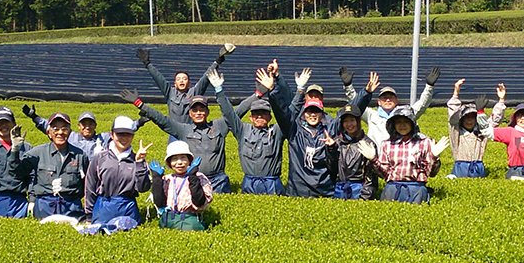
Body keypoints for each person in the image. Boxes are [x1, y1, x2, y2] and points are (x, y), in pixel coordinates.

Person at [122, 79, 252, 194]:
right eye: (195, 110)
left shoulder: (219, 126)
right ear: (190, 113)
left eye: (202, 109)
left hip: (218, 181)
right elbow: (161, 119)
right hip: (193, 178)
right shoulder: (183, 129)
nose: (198, 113)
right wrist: (139, 103)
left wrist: (258, 94)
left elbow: (235, 112)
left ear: (207, 112)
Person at [271, 67, 376, 198]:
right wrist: (273, 89)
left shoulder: (330, 129)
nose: (313, 114)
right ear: (304, 112)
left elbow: (349, 112)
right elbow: (282, 112)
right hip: (297, 192)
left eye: (316, 111)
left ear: (322, 113)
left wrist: (366, 93)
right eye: (309, 111)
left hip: (325, 192)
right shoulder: (294, 130)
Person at [218, 67, 288, 195]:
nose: (259, 117)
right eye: (256, 114)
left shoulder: (277, 131)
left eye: (263, 114)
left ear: (270, 117)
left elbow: (286, 111)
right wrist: (219, 91)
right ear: (250, 117)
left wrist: (275, 87)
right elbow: (229, 114)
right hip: (249, 182)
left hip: (272, 183)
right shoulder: (242, 130)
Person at [8, 113, 91, 220]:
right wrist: (15, 150)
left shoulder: (80, 155)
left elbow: (87, 184)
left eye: (64, 128)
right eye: (55, 128)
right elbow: (17, 173)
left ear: (70, 132)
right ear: (49, 133)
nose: (60, 132)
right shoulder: (37, 153)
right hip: (45, 206)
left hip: (71, 206)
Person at [340, 66, 440, 148]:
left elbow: (422, 104)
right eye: (384, 98)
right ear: (379, 102)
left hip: (398, 158)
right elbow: (357, 103)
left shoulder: (405, 114)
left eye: (391, 97)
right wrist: (348, 86)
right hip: (376, 159)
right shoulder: (371, 115)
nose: (388, 100)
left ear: (396, 101)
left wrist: (429, 86)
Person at [135, 43, 235, 125]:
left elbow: (205, 77)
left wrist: (217, 62)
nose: (181, 81)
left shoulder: (194, 92)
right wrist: (147, 64)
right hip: (175, 133)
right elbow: (159, 78)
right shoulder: (170, 93)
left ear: (189, 82)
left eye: (184, 79)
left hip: (191, 132)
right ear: (175, 83)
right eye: (178, 79)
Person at [372, 105, 448, 204]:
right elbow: (383, 173)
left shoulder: (424, 142)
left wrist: (434, 157)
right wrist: (373, 159)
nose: (402, 125)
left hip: (417, 189)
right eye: (398, 122)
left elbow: (431, 173)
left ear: (412, 124)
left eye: (406, 122)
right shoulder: (387, 144)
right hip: (392, 189)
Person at [84, 116, 152, 225]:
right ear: (112, 134)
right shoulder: (100, 158)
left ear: (133, 136)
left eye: (128, 134)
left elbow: (143, 188)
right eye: (120, 134)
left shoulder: (137, 160)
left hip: (128, 207)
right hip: (103, 207)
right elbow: (90, 186)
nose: (124, 138)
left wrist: (139, 163)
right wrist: (89, 215)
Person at [148, 141, 213, 231]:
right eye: (174, 159)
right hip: (169, 219)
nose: (179, 162)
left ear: (189, 161)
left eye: (183, 158)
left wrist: (193, 177)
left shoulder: (199, 177)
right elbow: (159, 202)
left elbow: (199, 202)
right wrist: (157, 180)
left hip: (190, 221)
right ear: (169, 163)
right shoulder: (167, 179)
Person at [445, 80, 505, 178]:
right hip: (460, 167)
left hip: (478, 167)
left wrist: (501, 101)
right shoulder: (456, 132)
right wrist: (455, 94)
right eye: (466, 117)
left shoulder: (482, 131)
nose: (469, 120)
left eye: (472, 117)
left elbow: (495, 121)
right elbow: (452, 116)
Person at [324, 104, 379, 200]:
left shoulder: (367, 144)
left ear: (359, 121)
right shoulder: (337, 142)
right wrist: (331, 149)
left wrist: (364, 197)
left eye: (352, 120)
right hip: (339, 190)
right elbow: (332, 169)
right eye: (345, 121)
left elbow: (372, 176)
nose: (349, 124)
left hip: (358, 190)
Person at [21, 106, 110, 159]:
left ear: (95, 125)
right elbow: (52, 128)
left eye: (90, 124)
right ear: (79, 126)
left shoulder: (103, 138)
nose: (87, 127)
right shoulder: (72, 136)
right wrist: (35, 117)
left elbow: (120, 132)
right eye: (84, 124)